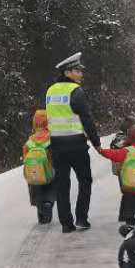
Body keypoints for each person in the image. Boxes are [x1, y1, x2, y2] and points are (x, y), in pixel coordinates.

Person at [45, 52, 102, 233]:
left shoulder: (50, 91)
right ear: (67, 73)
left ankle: (66, 223)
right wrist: (96, 143)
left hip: (57, 145)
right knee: (85, 180)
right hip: (76, 144)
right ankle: (81, 219)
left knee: (62, 184)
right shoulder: (76, 91)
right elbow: (87, 119)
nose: (81, 74)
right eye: (77, 71)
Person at [22, 109, 56, 224]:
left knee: (36, 186)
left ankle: (39, 207)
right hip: (48, 168)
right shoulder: (50, 137)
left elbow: (25, 152)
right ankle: (48, 203)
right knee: (50, 184)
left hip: (34, 170)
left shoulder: (31, 139)